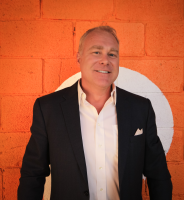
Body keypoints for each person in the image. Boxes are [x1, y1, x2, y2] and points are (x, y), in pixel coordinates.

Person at [18, 26, 172, 200]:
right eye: (97, 52)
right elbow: (33, 175)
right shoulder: (48, 108)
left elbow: (158, 175)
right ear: (79, 57)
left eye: (112, 54)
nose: (105, 60)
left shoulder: (141, 108)